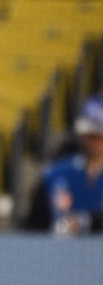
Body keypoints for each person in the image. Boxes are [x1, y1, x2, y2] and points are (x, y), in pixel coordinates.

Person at [26, 95, 103, 234]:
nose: (94, 141)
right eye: (90, 135)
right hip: (60, 251)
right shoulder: (57, 173)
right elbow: (35, 222)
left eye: (99, 135)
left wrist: (85, 221)